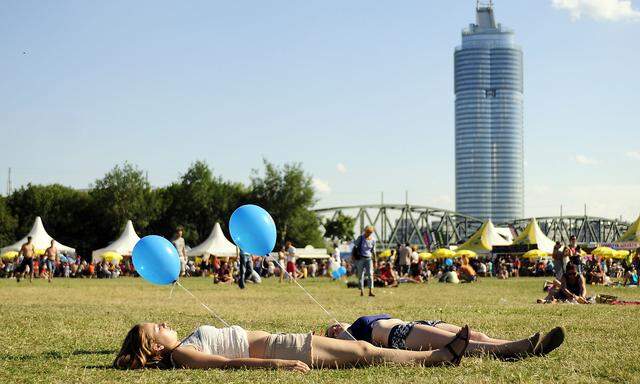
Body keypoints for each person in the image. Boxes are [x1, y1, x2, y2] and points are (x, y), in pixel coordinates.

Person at [113, 321, 470, 371]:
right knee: (363, 353)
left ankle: (433, 356)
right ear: (155, 349)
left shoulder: (182, 345)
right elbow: (225, 364)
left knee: (362, 349)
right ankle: (435, 357)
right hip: (281, 351)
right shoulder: (181, 354)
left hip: (283, 344)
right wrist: (277, 366)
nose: (162, 323)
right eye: (156, 328)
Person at [325, 315, 565, 360]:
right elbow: (355, 348)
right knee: (465, 344)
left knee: (477, 335)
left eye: (333, 327)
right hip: (400, 335)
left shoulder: (357, 321)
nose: (334, 329)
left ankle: (525, 346)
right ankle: (518, 349)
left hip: (415, 324)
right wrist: (341, 336)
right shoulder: (351, 334)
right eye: (330, 333)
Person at [353, 226, 377, 297]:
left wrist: (375, 260)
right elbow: (355, 245)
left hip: (369, 259)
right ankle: (362, 291)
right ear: (365, 231)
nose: (368, 234)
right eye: (367, 232)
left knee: (370, 274)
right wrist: (354, 256)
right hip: (360, 258)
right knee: (361, 275)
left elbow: (373, 251)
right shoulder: (360, 237)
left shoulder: (373, 240)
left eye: (370, 232)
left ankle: (370, 291)